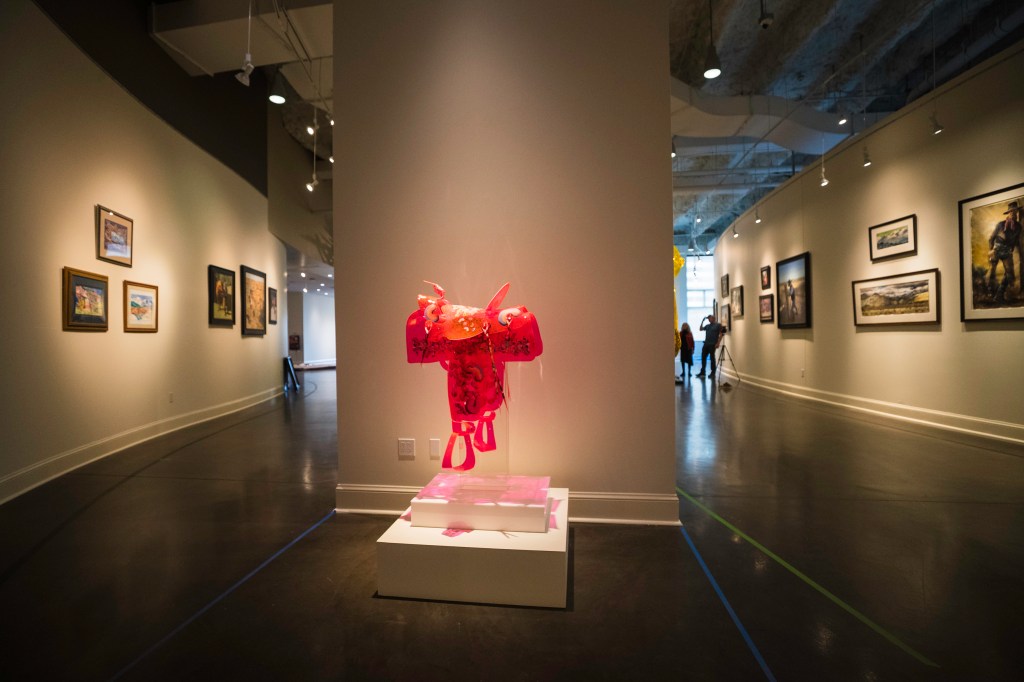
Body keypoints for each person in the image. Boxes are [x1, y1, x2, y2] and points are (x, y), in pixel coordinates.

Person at [988, 200, 1023, 304]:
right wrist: (990, 250)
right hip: (996, 249)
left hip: (1007, 251)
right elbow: (991, 238)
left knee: (1009, 274)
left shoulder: (1018, 227)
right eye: (1011, 211)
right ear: (1008, 213)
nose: (1013, 213)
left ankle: (999, 295)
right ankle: (990, 292)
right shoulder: (1001, 224)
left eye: (1015, 211)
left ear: (1017, 212)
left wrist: (1011, 249)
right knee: (992, 271)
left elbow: (1016, 240)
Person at [695, 314, 724, 379]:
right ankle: (703, 372)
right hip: (706, 344)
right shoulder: (707, 326)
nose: (708, 319)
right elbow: (700, 329)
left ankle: (713, 372)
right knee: (703, 357)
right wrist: (702, 321)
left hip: (712, 344)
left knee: (712, 358)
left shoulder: (718, 325)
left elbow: (721, 334)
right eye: (708, 318)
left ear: (713, 318)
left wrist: (718, 343)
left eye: (709, 318)